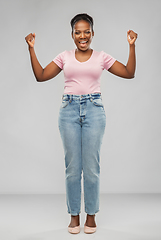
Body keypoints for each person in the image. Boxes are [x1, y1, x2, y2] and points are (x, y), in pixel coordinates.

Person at [25, 13, 137, 234]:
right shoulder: (64, 57)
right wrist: (31, 48)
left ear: (93, 33)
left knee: (92, 168)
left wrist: (132, 46)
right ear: (72, 34)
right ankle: (74, 216)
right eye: (78, 32)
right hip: (68, 111)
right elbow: (40, 75)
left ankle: (91, 216)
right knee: (73, 168)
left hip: (94, 110)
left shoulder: (101, 57)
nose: (83, 36)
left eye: (87, 32)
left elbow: (129, 72)